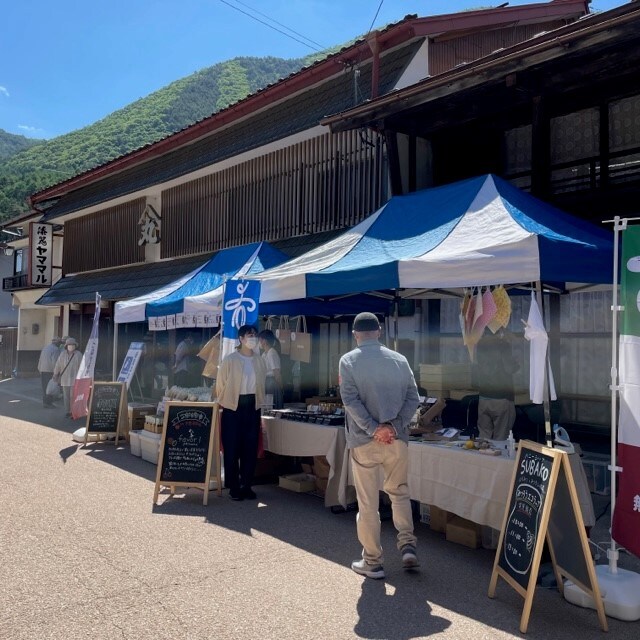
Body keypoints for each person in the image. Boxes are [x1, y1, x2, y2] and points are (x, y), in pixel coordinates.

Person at [339, 312, 420, 580]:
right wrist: (393, 427)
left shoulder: (348, 361)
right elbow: (413, 397)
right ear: (380, 331)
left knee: (368, 502)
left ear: (355, 334)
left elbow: (350, 400)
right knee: (399, 492)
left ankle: (373, 560)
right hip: (397, 439)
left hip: (364, 441)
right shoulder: (399, 360)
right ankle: (407, 545)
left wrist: (374, 429)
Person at [215, 325, 266, 501]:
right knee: (232, 447)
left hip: (252, 405)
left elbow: (262, 382)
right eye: (249, 335)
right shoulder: (230, 359)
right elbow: (220, 384)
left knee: (250, 447)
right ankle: (233, 486)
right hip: (232, 407)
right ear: (241, 339)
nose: (253, 338)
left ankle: (247, 484)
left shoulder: (259, 360)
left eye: (254, 335)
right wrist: (226, 400)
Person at [474, 328, 519, 441]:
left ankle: (482, 458)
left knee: (484, 437)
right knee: (501, 438)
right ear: (500, 331)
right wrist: (517, 364)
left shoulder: (480, 344)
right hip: (502, 398)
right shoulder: (503, 345)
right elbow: (508, 368)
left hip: (483, 397)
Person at [53, 337, 83, 418]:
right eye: (69, 344)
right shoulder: (62, 354)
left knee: (73, 396)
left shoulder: (78, 354)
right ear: (66, 345)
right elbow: (58, 365)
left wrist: (82, 378)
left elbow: (82, 367)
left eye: (72, 344)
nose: (71, 346)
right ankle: (68, 411)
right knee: (66, 396)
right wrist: (55, 374)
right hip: (65, 379)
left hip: (75, 379)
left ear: (75, 345)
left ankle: (73, 411)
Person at [258, 329, 283, 409]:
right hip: (266, 382)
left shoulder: (272, 353)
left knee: (272, 406)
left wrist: (281, 388)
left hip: (272, 383)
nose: (259, 342)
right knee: (267, 406)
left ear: (264, 341)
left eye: (260, 340)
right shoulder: (264, 354)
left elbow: (277, 373)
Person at [37, 336, 63, 407]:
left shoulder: (45, 348)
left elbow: (40, 359)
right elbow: (55, 362)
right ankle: (48, 403)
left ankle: (45, 402)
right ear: (57, 343)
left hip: (43, 369)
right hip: (50, 370)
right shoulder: (56, 350)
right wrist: (56, 372)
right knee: (50, 387)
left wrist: (39, 369)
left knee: (44, 387)